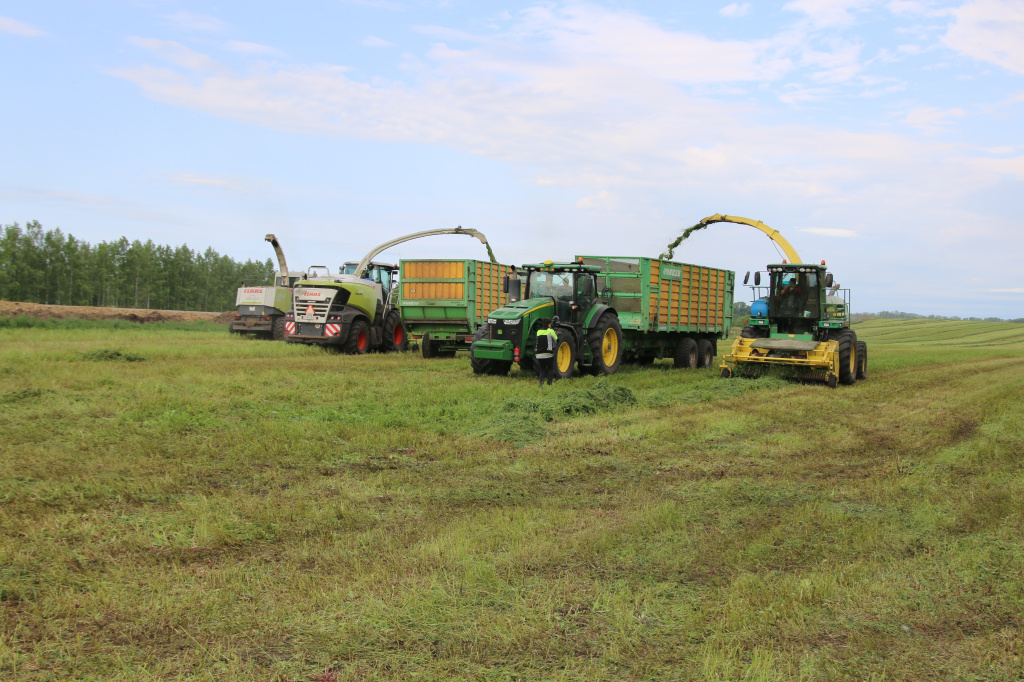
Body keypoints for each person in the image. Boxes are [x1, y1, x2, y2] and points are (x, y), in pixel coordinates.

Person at [534, 317, 559, 387]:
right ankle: (549, 384)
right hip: (548, 354)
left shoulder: (538, 332)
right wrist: (556, 334)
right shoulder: (551, 331)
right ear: (549, 325)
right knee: (551, 368)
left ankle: (541, 384)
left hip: (538, 355)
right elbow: (557, 340)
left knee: (542, 370)